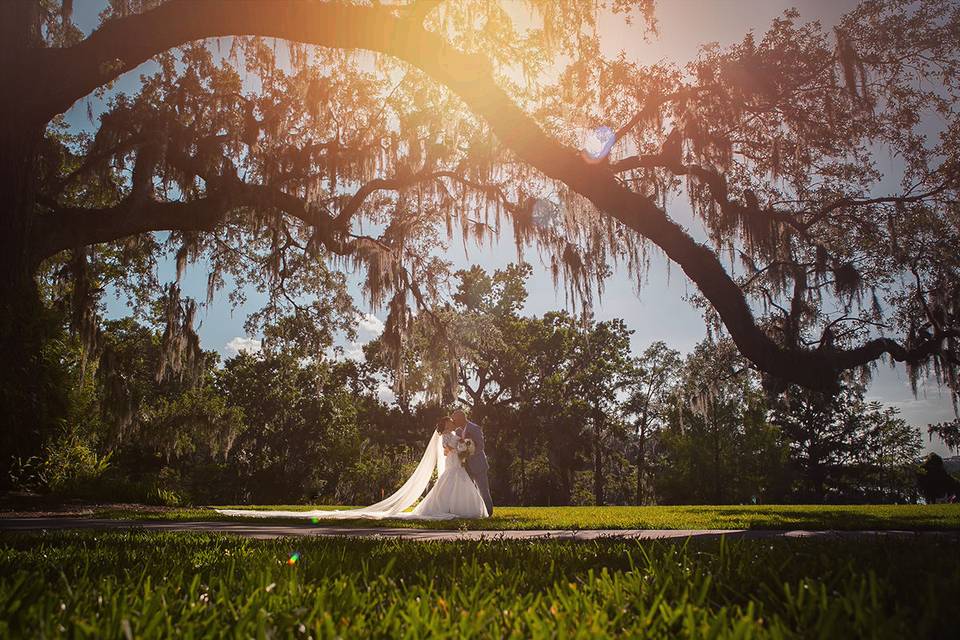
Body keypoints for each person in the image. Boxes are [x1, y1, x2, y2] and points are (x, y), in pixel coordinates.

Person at [214, 414, 489, 520]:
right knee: (447, 490)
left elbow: (455, 448)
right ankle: (447, 511)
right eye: (450, 422)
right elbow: (446, 449)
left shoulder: (455, 434)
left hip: (457, 467)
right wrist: (459, 448)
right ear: (445, 426)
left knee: (454, 487)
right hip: (455, 466)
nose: (453, 423)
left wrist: (464, 449)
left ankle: (456, 510)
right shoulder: (446, 436)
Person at [451, 409, 493, 516]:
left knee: (483, 489)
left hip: (478, 464)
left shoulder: (475, 428)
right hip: (465, 466)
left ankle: (488, 512)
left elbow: (481, 446)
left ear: (461, 418)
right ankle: (473, 512)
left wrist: (470, 452)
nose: (454, 422)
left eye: (455, 420)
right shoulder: (458, 431)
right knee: (469, 490)